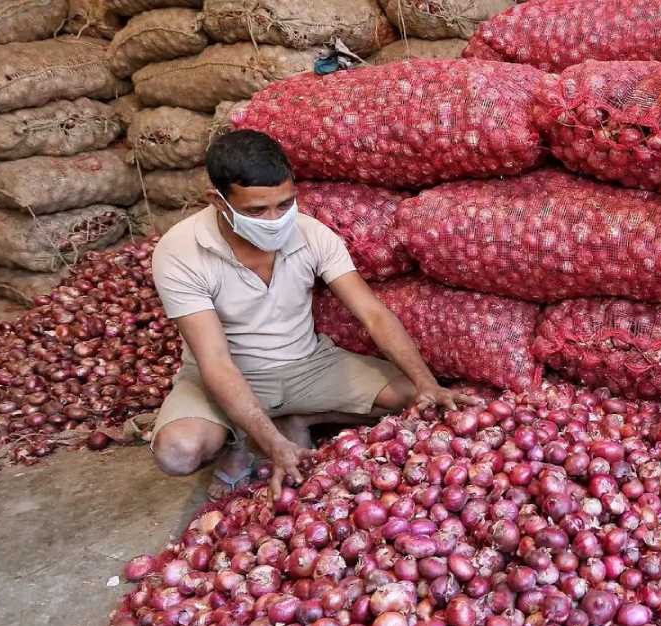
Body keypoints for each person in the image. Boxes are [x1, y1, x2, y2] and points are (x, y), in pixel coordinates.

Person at [147, 130, 476, 498]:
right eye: (256, 211)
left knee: (419, 396)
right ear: (218, 201)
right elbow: (216, 362)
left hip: (308, 366)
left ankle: (301, 416)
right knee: (178, 452)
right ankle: (239, 439)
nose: (275, 219)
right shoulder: (181, 251)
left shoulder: (312, 234)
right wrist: (274, 445)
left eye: (285, 204)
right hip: (232, 372)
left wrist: (426, 382)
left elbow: (373, 314)